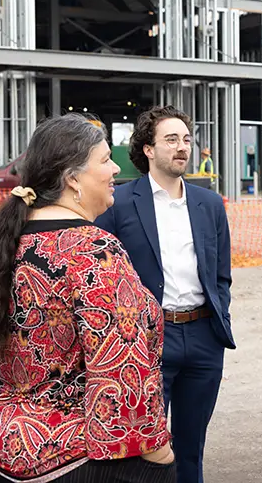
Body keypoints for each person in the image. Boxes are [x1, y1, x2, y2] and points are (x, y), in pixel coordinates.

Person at [0, 113, 176, 483]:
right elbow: (121, 364)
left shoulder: (7, 241)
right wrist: (158, 455)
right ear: (73, 178)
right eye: (105, 159)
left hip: (0, 439)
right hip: (72, 454)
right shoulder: (93, 251)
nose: (115, 169)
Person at [95, 105, 234, 483]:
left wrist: (220, 318)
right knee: (145, 449)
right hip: (148, 340)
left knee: (191, 447)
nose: (182, 147)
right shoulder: (120, 202)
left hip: (204, 338)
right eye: (171, 140)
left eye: (186, 139)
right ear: (148, 149)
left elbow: (221, 274)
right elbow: (103, 275)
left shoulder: (209, 203)